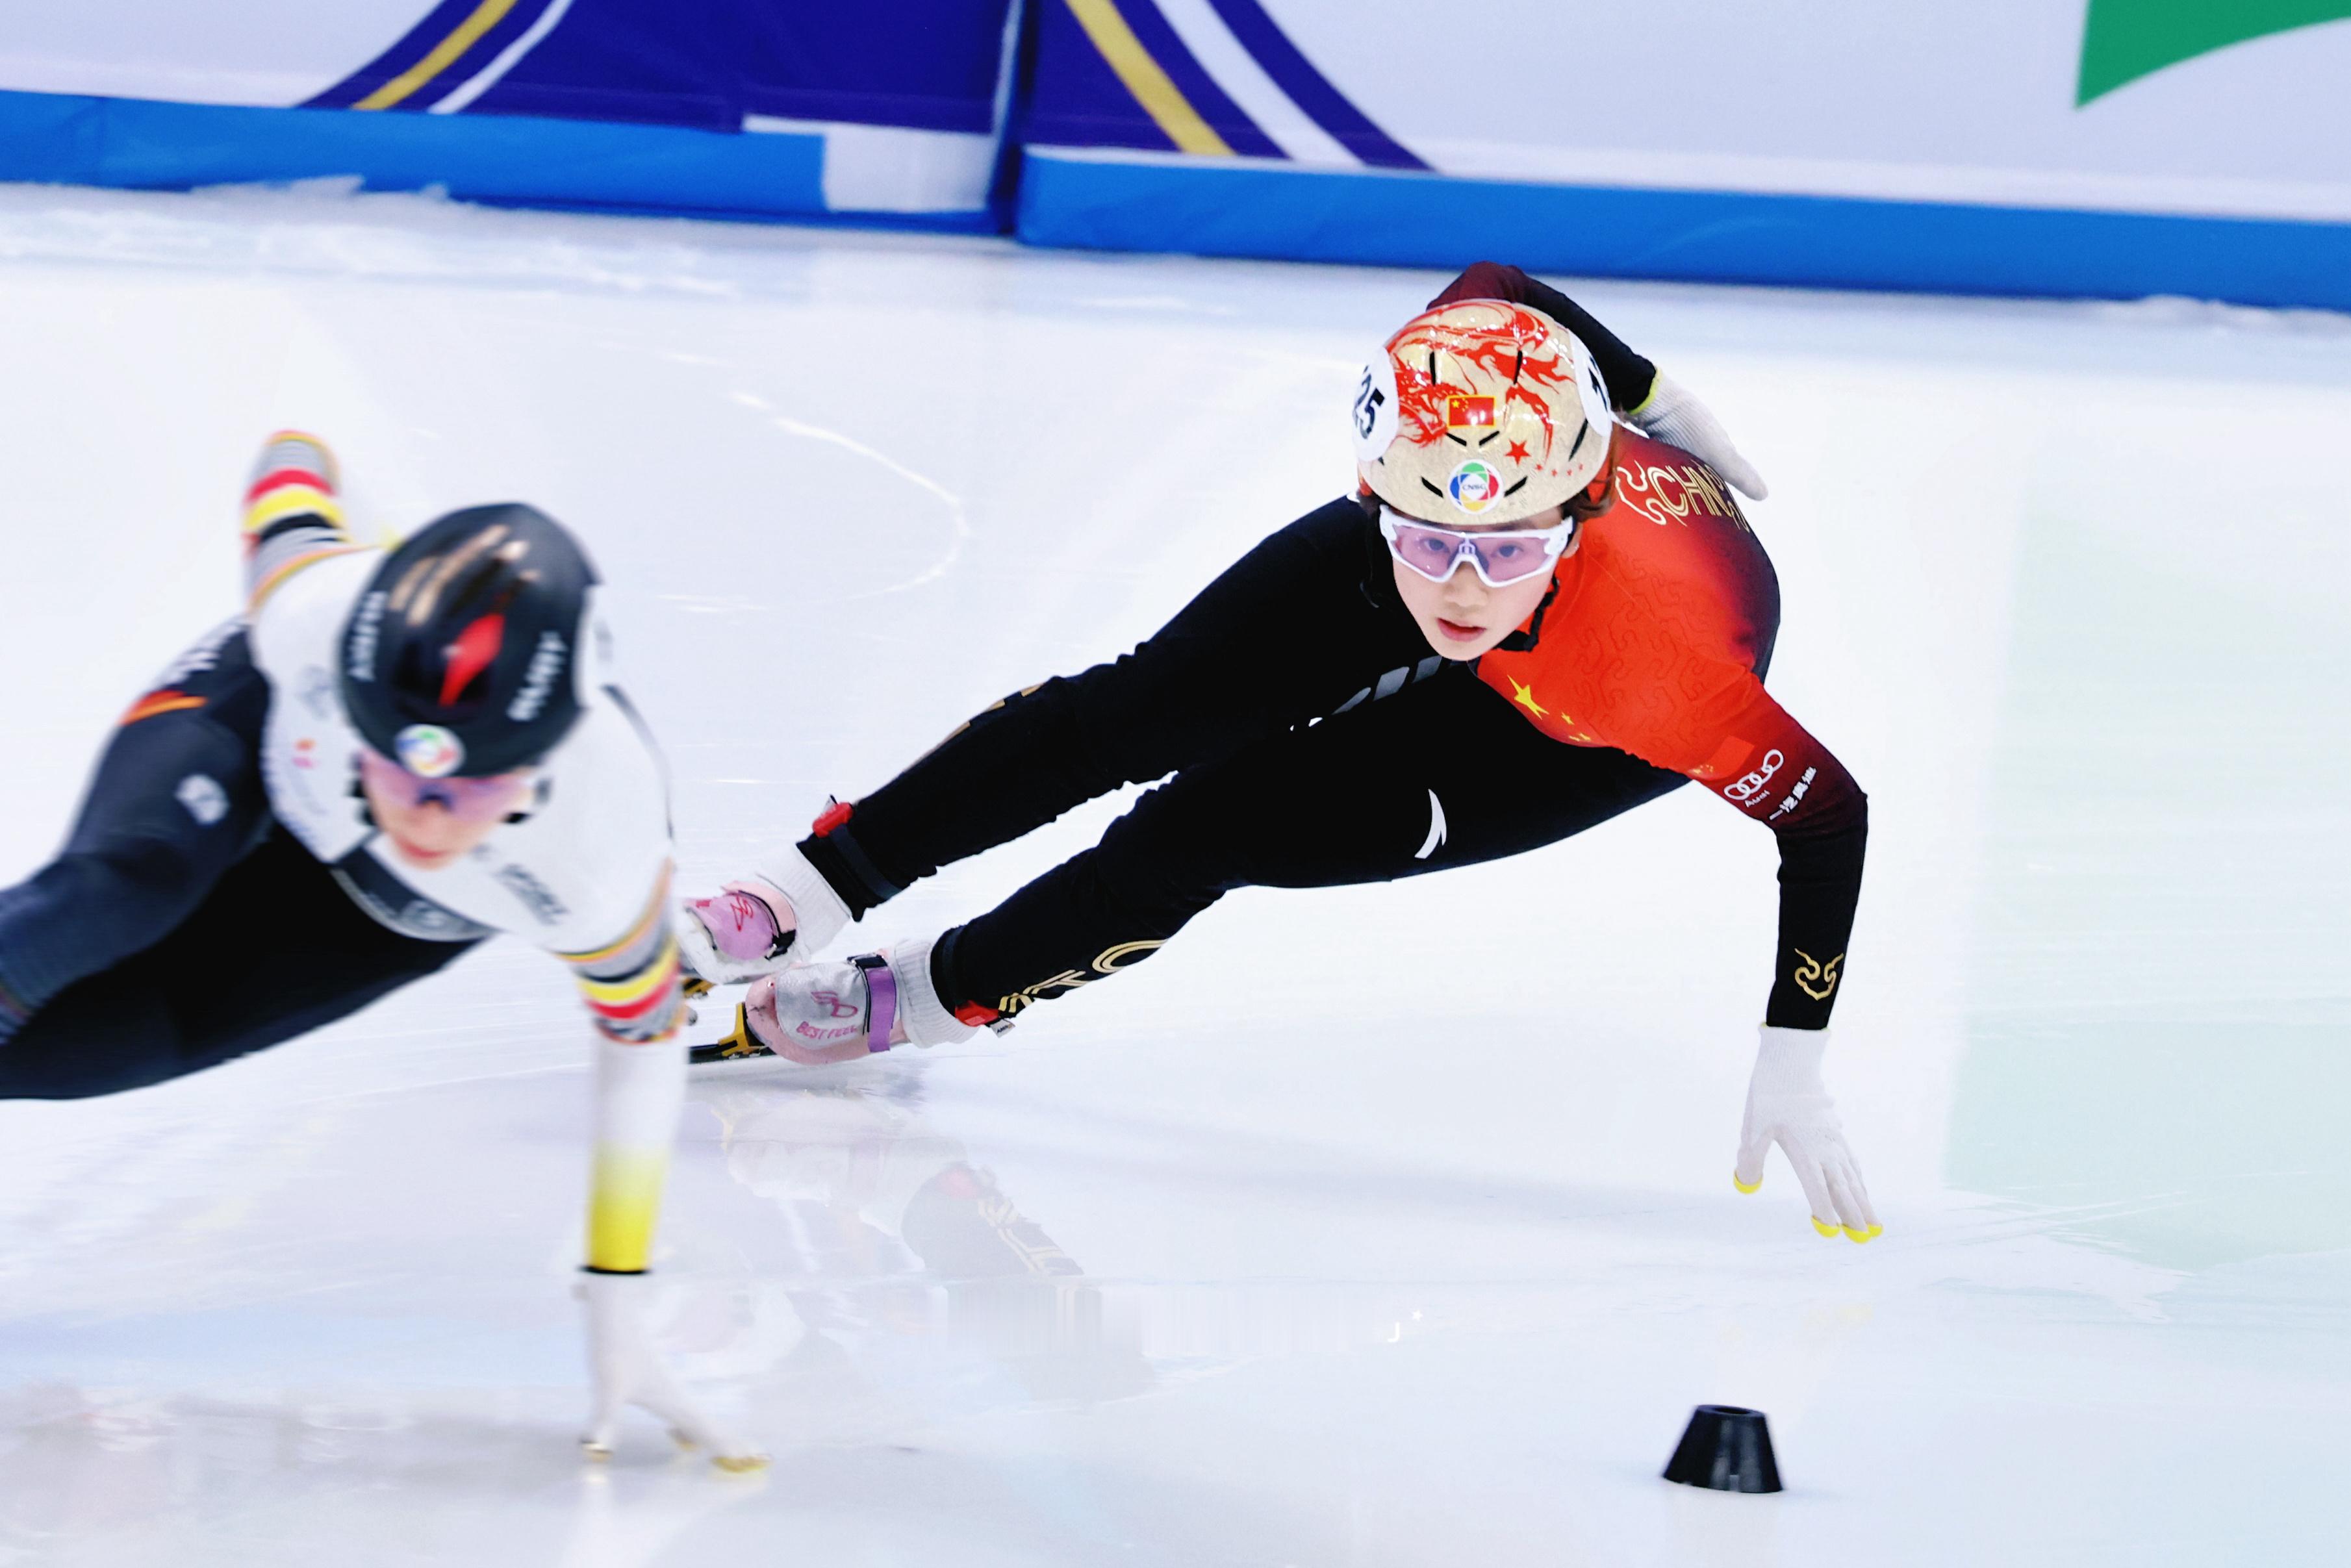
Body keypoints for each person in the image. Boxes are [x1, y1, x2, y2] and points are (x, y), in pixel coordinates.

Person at [678, 262, 1880, 1243]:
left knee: (1210, 827)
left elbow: (1829, 816)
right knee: (1132, 713)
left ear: (1569, 517)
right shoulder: (1444, 421)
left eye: (1506, 552)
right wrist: (1654, 392)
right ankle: (802, 893)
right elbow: (1499, 286)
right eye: (1425, 538)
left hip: (1561, 722)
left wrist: (1795, 1054)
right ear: (1374, 486)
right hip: (1487, 563)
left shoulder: (1663, 678)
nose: (1461, 592)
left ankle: (929, 998)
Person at [0, 434, 763, 1467]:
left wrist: (615, 1297)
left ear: (546, 755)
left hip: (371, 915)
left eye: (468, 789)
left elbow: (644, 1043)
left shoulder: (602, 851)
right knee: (111, 893)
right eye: (393, 758)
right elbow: (294, 456)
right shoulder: (313, 611)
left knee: (69, 1052)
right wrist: (411, 569)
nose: (421, 812)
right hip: (253, 741)